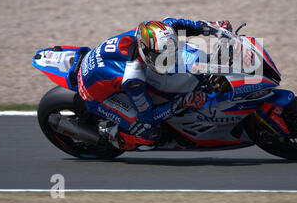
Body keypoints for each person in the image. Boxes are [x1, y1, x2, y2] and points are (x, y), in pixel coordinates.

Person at [77, 18, 232, 151]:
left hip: (107, 68)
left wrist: (212, 27)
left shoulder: (154, 33)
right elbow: (148, 116)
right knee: (149, 134)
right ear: (146, 51)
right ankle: (111, 133)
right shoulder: (133, 79)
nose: (169, 62)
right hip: (96, 94)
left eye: (171, 56)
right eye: (163, 59)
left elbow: (177, 23)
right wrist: (184, 102)